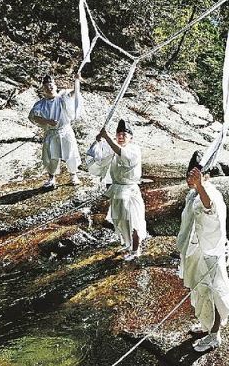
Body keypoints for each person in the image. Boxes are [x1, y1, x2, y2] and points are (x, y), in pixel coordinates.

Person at [177, 151, 229, 352]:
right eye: (190, 174)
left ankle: (215, 335)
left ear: (206, 176)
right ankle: (206, 325)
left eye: (197, 174)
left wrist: (200, 186)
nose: (191, 178)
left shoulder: (209, 192)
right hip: (196, 250)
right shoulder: (192, 194)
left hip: (210, 251)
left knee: (212, 291)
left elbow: (210, 209)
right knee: (200, 291)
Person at [88, 119, 148, 260]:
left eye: (124, 135)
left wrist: (107, 137)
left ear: (131, 138)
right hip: (117, 190)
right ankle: (128, 245)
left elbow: (122, 153)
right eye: (118, 134)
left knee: (133, 221)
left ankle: (136, 250)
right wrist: (98, 141)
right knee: (120, 220)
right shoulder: (113, 147)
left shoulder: (134, 150)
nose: (121, 137)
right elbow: (99, 158)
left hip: (130, 191)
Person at [28, 74, 82, 188]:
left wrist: (77, 81)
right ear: (43, 88)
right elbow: (33, 116)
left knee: (70, 153)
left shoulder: (62, 98)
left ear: (55, 86)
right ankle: (51, 178)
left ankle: (74, 175)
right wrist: (47, 121)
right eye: (46, 86)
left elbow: (74, 93)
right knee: (51, 156)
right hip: (51, 133)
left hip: (65, 130)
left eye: (51, 85)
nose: (49, 88)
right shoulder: (40, 104)